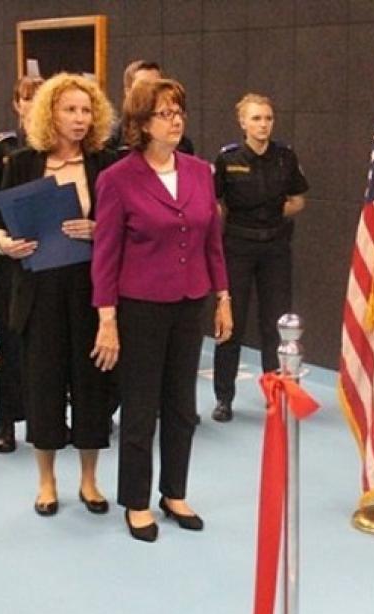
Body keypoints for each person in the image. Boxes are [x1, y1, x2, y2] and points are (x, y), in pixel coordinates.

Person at [91, 78, 232, 543]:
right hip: (141, 308)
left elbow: (212, 243)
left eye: (179, 112)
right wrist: (107, 319)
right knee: (140, 408)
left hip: (190, 304)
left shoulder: (199, 172)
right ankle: (136, 501)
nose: (175, 121)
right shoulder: (117, 179)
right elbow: (105, 256)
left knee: (182, 406)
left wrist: (223, 297)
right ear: (141, 123)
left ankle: (174, 493)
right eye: (164, 114)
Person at [0, 73, 118, 516]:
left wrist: (100, 230)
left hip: (89, 289)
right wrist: (4, 242)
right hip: (38, 289)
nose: (80, 119)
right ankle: (46, 481)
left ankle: (89, 480)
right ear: (50, 114)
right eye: (70, 110)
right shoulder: (23, 162)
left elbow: (123, 225)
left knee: (91, 385)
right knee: (43, 384)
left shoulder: (105, 164)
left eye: (86, 110)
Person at [211, 93, 308, 422]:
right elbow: (215, 203)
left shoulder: (285, 157)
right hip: (238, 247)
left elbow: (298, 200)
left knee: (275, 325)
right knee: (231, 324)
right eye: (256, 118)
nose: (263, 124)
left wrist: (272, 213)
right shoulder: (227, 159)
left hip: (275, 248)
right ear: (243, 123)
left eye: (268, 118)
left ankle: (275, 393)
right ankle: (224, 398)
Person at [0, 75, 44, 453]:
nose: (32, 103)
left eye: (39, 97)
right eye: (26, 98)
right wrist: (5, 225)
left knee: (46, 342)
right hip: (9, 258)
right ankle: (6, 424)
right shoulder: (3, 147)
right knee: (10, 338)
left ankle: (46, 419)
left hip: (46, 257)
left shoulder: (57, 147)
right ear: (17, 104)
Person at [106, 60, 195, 157]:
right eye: (144, 87)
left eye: (157, 86)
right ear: (128, 92)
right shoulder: (110, 143)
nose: (152, 93)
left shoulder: (182, 145)